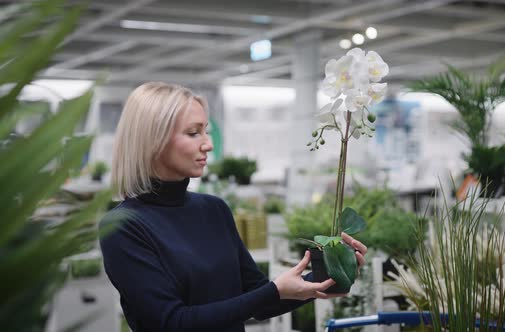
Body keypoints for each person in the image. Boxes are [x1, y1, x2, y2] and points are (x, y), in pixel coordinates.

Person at [99, 81, 368, 331]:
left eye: (206, 130)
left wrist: (330, 274)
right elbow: (171, 322)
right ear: (152, 141)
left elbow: (259, 298)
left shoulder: (213, 210)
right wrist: (273, 290)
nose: (208, 144)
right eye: (194, 133)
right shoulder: (123, 227)